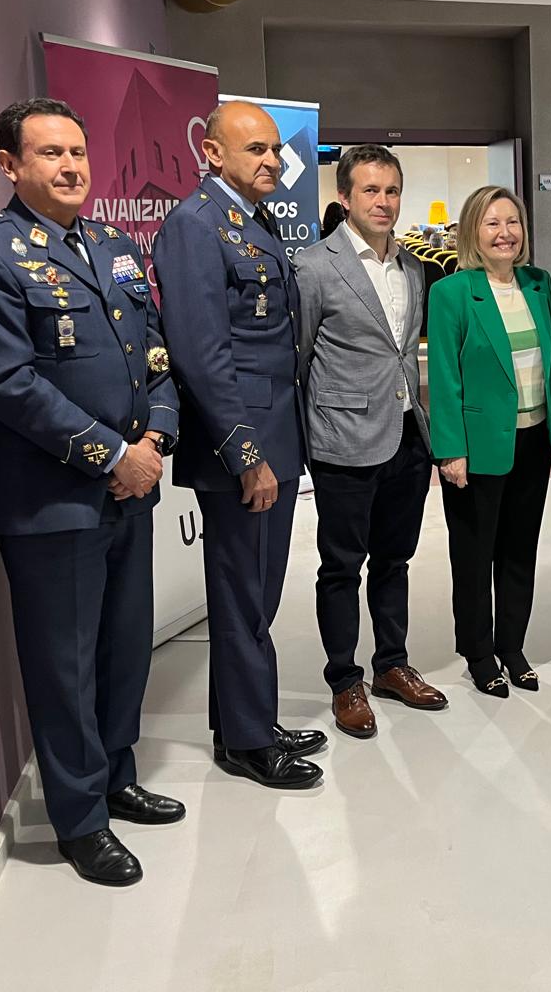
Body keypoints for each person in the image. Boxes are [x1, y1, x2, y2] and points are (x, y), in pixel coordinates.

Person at [0, 98, 182, 886]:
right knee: (64, 667)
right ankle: (79, 820)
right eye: (50, 153)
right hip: (51, 502)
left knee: (123, 648)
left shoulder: (114, 244)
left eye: (77, 151)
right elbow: (8, 383)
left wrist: (153, 441)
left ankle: (116, 776)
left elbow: (152, 351)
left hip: (131, 487)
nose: (71, 165)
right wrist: (112, 452)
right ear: (10, 165)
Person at [156, 100, 325, 788]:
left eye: (276, 150)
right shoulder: (196, 226)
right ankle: (250, 743)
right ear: (213, 154)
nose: (272, 161)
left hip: (273, 437)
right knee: (242, 595)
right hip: (244, 448)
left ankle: (246, 719)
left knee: (255, 594)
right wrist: (245, 454)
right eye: (254, 149)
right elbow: (200, 354)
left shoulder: (247, 221)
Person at [294, 145, 447, 738]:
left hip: (408, 436)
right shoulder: (314, 267)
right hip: (344, 442)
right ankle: (343, 679)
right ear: (345, 198)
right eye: (370, 192)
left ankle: (392, 665)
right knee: (340, 567)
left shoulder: (414, 267)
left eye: (391, 191)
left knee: (395, 560)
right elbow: (299, 358)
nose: (383, 203)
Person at [427, 186, 551, 696]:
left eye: (512, 222)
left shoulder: (538, 283)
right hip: (477, 446)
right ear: (473, 230)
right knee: (474, 556)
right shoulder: (452, 292)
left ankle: (512, 646)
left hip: (533, 441)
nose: (505, 233)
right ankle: (479, 652)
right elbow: (444, 377)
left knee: (519, 551)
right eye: (492, 223)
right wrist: (449, 449)